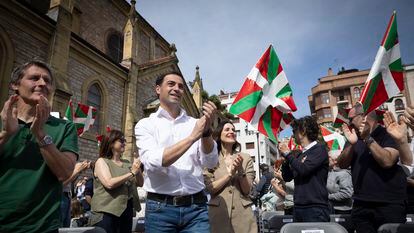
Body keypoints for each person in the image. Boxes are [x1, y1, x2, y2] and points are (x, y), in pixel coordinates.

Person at [0, 60, 78, 233]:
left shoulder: (65, 127)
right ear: (15, 84)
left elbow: (65, 173)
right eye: (34, 78)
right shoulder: (3, 120)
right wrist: (6, 134)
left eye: (47, 81)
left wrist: (40, 134)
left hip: (42, 227)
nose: (42, 83)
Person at [134, 71, 218, 232]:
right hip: (160, 210)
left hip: (196, 208)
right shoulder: (145, 125)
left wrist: (206, 132)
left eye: (181, 86)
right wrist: (193, 137)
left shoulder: (195, 123)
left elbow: (211, 162)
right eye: (171, 84)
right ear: (158, 89)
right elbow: (154, 162)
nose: (177, 89)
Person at [336, 104, 406, 233]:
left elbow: (388, 161)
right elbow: (341, 164)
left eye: (351, 119)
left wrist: (367, 138)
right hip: (361, 204)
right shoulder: (353, 136)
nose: (349, 123)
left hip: (388, 204)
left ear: (364, 116)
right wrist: (351, 145)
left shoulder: (389, 133)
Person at [204, 120, 257, 233]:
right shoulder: (211, 159)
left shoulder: (245, 158)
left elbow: (247, 191)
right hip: (218, 216)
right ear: (219, 134)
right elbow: (209, 188)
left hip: (243, 217)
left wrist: (240, 170)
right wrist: (229, 175)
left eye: (233, 130)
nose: (231, 132)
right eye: (227, 129)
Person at [90, 129, 143, 233]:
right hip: (106, 212)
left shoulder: (127, 163)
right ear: (111, 142)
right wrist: (131, 173)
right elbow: (109, 183)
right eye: (121, 140)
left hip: (126, 212)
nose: (124, 143)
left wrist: (138, 168)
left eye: (125, 140)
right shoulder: (102, 161)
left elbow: (140, 183)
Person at [279, 116, 330, 222]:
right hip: (298, 206)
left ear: (304, 130)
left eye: (294, 131)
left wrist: (288, 154)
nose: (292, 135)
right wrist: (285, 161)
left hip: (315, 207)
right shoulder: (300, 155)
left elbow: (304, 169)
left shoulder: (319, 150)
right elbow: (287, 177)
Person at [61, 160, 91, 227]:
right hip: (60, 197)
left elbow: (69, 180)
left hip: (67, 196)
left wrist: (79, 171)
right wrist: (77, 170)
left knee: (65, 228)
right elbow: (60, 185)